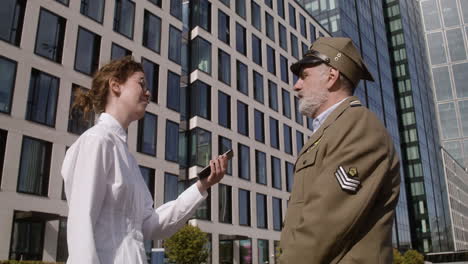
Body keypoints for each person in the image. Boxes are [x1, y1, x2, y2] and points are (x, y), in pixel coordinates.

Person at [61, 56, 228, 264]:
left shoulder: (127, 158)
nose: (148, 93)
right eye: (141, 83)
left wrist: (203, 185)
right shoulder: (97, 140)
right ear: (115, 86)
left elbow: (151, 225)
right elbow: (80, 225)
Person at [279, 37, 400, 263]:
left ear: (332, 77)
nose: (296, 85)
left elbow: (323, 223)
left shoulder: (358, 125)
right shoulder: (333, 129)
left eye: (304, 76)